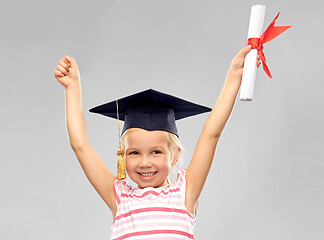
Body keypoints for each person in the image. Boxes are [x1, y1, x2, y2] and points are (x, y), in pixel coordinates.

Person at [54, 45, 260, 239]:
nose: (145, 162)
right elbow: (80, 145)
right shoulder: (120, 198)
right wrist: (72, 88)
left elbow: (211, 135)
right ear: (122, 155)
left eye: (156, 152)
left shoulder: (185, 193)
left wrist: (235, 76)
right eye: (134, 153)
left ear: (175, 155)